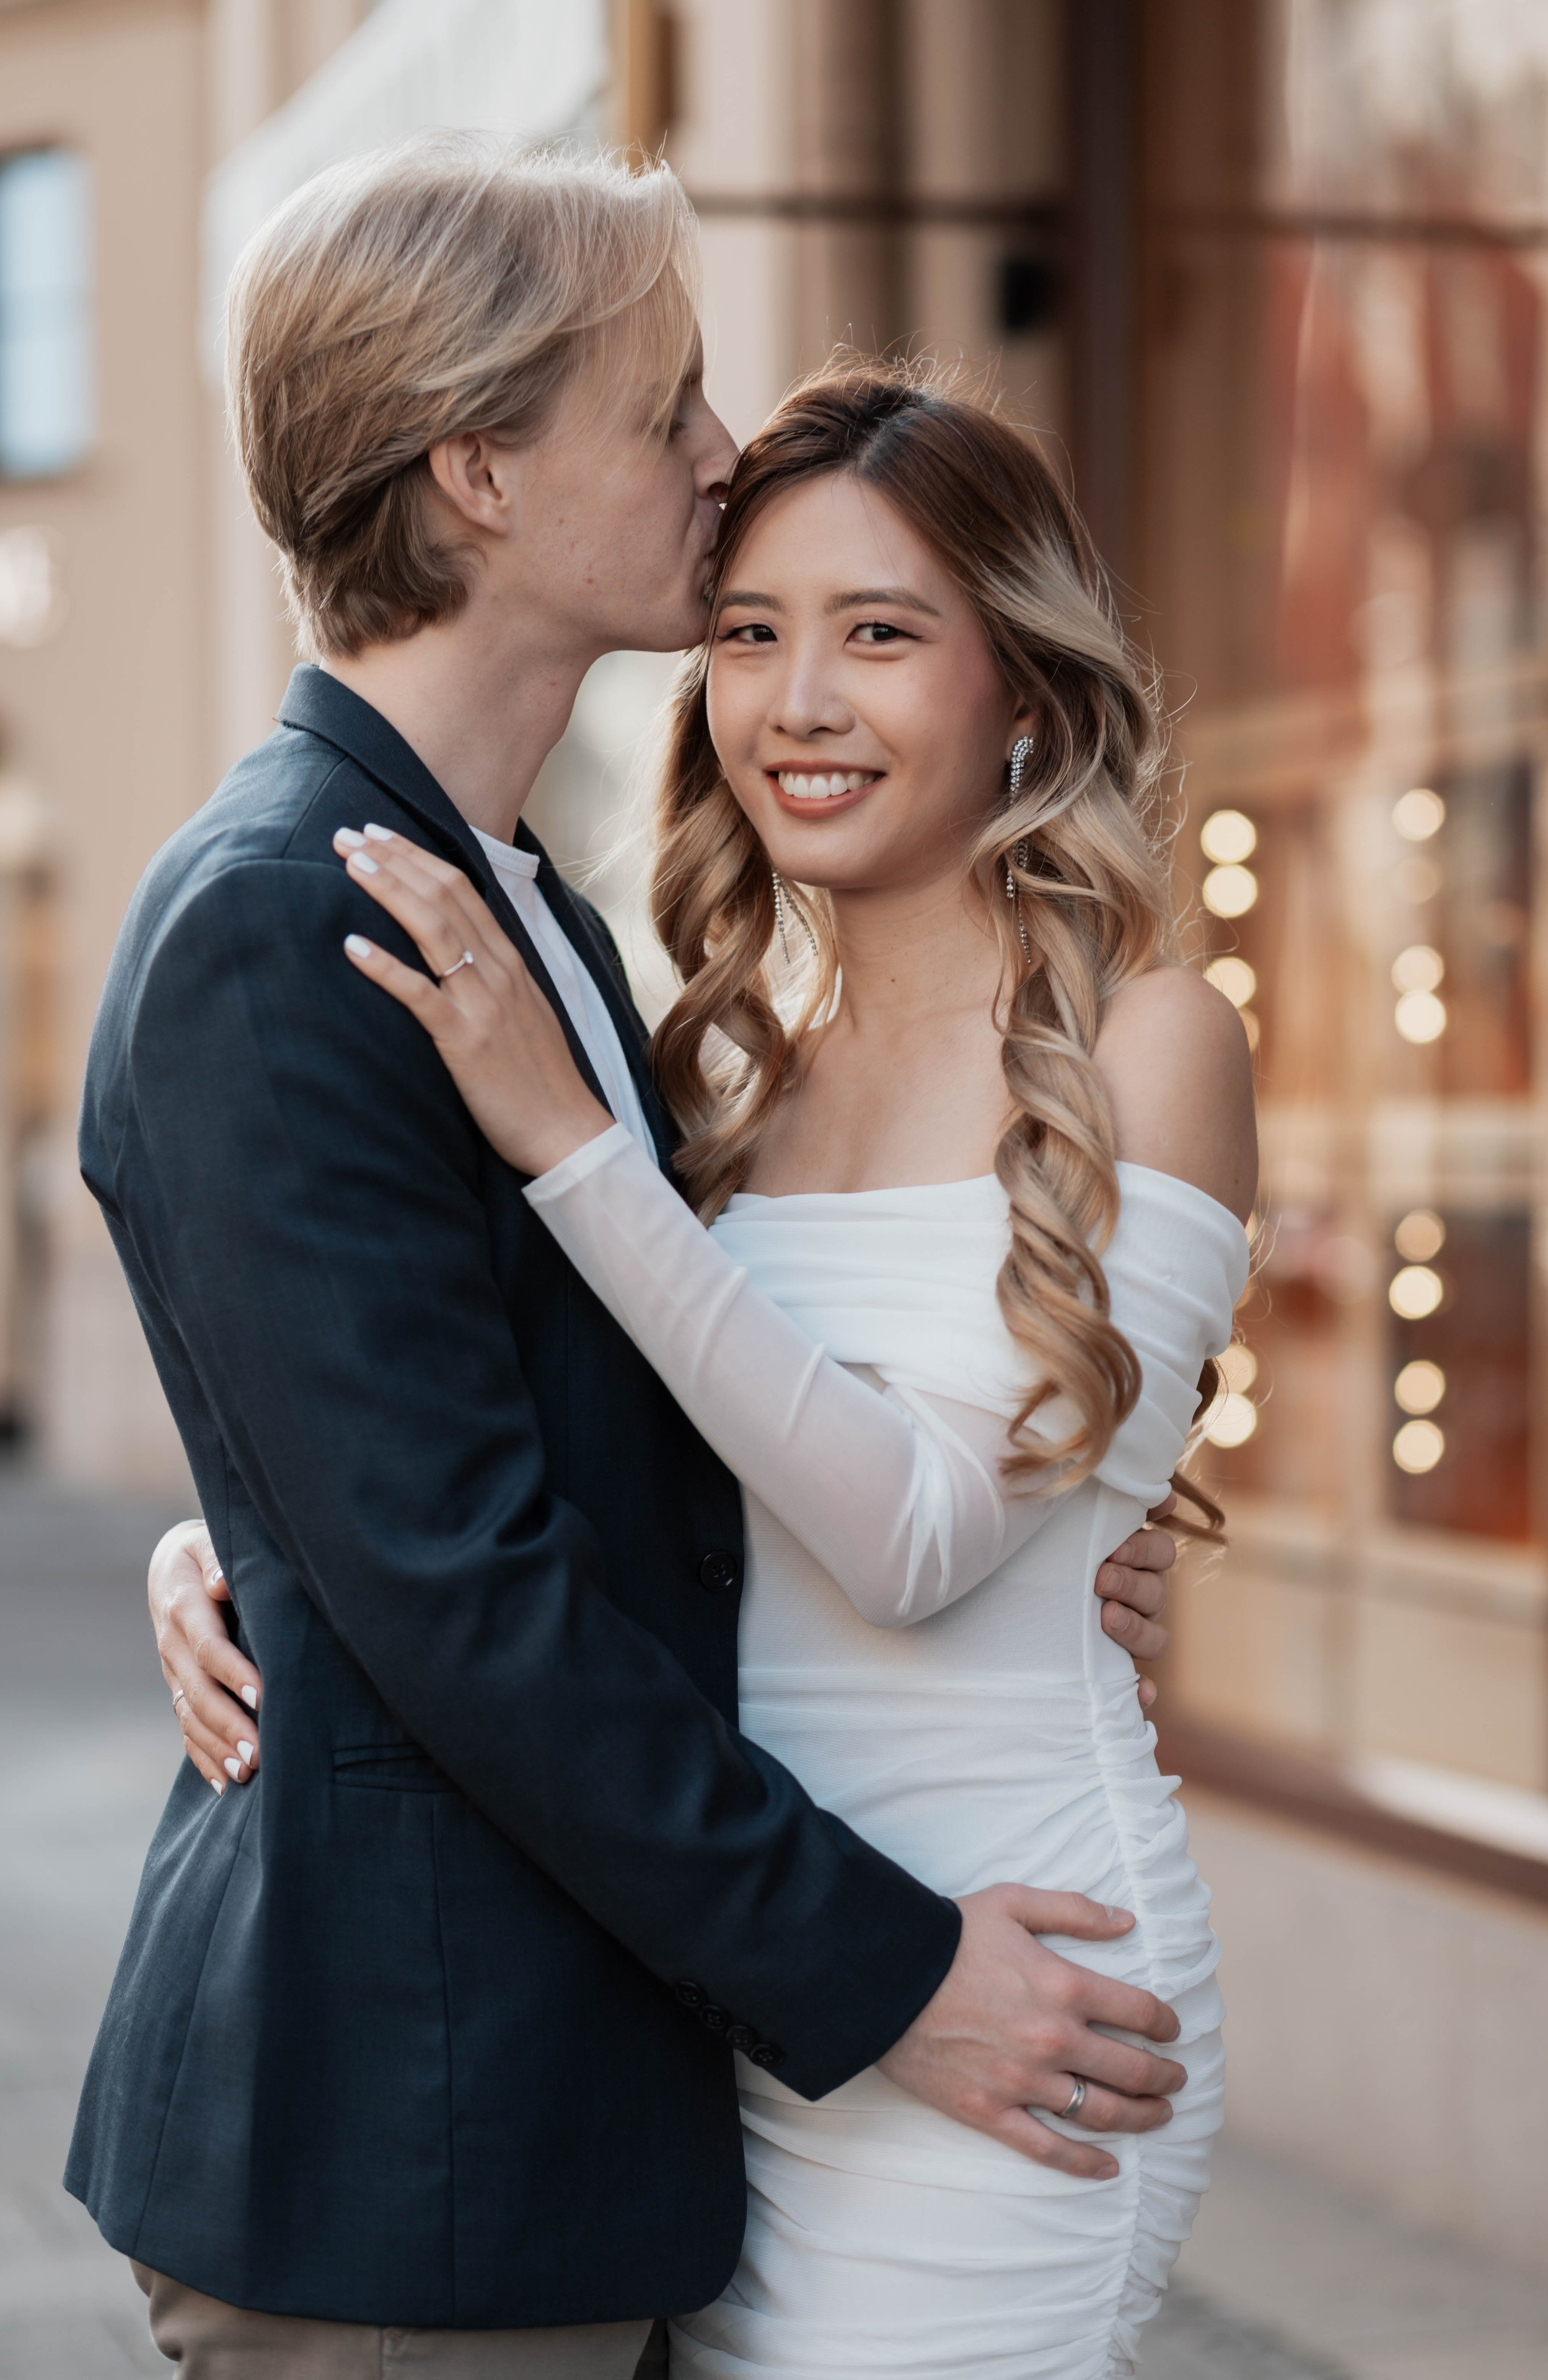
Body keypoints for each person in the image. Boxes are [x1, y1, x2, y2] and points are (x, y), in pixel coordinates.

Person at [73, 137, 1195, 2379]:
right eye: (666, 401)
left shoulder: (535, 923)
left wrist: (1073, 1525)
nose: (718, 450)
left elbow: (534, 1425)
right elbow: (466, 1591)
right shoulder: (289, 921)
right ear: (479, 472)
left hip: (587, 2122)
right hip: (417, 2153)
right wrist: (890, 1975)